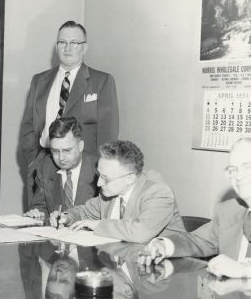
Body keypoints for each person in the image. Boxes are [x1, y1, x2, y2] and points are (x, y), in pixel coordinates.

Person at [140, 138, 251, 279]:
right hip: (235, 298)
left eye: (249, 167)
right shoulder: (229, 210)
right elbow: (198, 240)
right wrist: (164, 245)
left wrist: (245, 268)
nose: (239, 176)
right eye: (233, 169)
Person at [19, 21, 118, 200]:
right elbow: (28, 125)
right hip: (44, 162)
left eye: (74, 43)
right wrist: (34, 161)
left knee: (75, 222)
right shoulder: (39, 80)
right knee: (41, 221)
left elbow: (108, 134)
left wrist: (99, 170)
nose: (67, 48)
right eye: (62, 42)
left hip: (83, 169)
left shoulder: (101, 81)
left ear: (85, 47)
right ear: (56, 47)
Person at [56, 140, 185, 243]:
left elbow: (140, 233)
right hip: (123, 261)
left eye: (105, 178)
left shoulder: (158, 193)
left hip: (165, 267)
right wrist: (67, 217)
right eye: (99, 175)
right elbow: (85, 211)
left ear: (130, 179)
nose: (99, 183)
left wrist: (99, 225)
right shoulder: (111, 192)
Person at [24, 117, 97, 221]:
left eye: (67, 150)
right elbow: (41, 206)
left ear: (81, 146)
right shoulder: (45, 167)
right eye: (55, 151)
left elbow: (105, 214)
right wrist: (37, 215)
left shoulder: (98, 170)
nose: (61, 158)